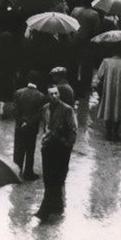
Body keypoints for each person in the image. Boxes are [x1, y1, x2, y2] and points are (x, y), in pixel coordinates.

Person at [35, 86, 78, 221]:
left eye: (56, 93)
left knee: (57, 178)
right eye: (51, 94)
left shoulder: (67, 110)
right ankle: (56, 206)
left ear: (59, 94)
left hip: (61, 148)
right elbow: (43, 125)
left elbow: (73, 129)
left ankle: (45, 211)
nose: (54, 96)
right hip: (48, 146)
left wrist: (67, 145)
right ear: (48, 96)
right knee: (48, 178)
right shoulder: (45, 108)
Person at [93, 48, 121, 142]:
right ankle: (116, 132)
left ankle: (109, 132)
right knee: (119, 108)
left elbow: (99, 74)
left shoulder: (106, 61)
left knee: (108, 106)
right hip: (120, 89)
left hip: (108, 88)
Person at [13, 76, 46, 181]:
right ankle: (28, 173)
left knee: (18, 150)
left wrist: (21, 122)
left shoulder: (18, 92)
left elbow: (15, 110)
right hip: (31, 129)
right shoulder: (41, 96)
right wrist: (28, 123)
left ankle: (16, 173)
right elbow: (39, 114)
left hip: (19, 128)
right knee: (30, 151)